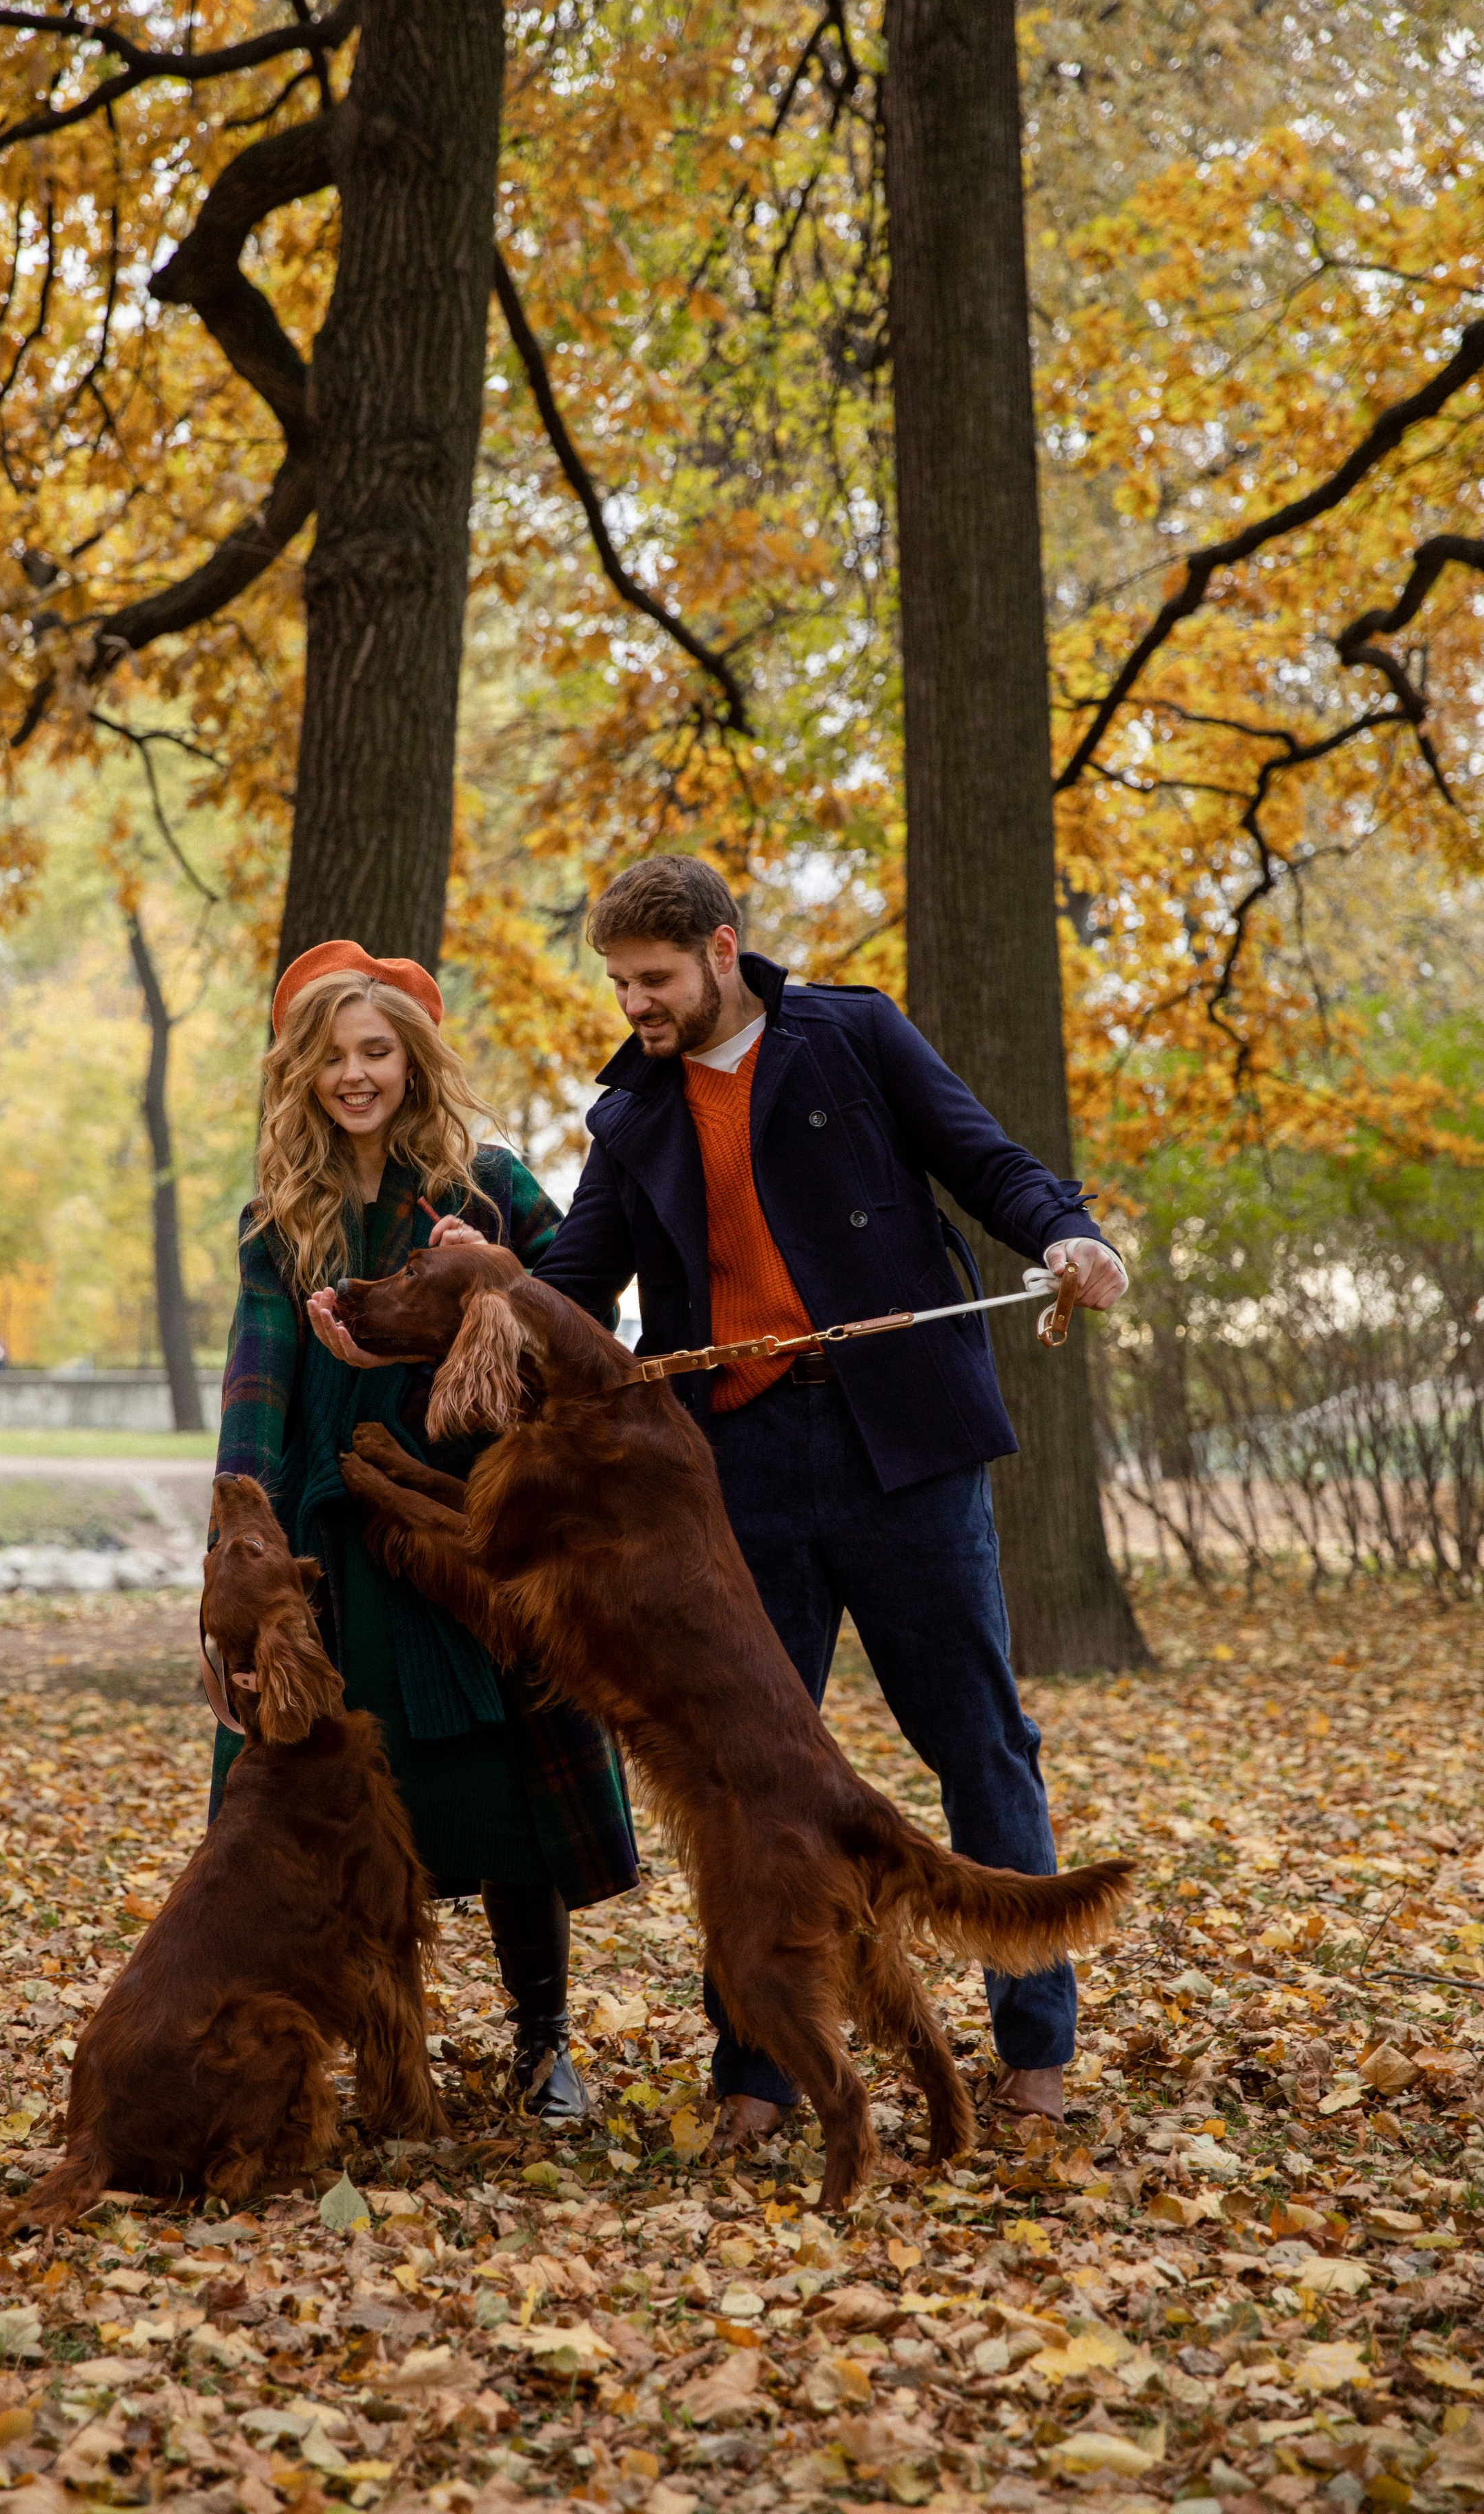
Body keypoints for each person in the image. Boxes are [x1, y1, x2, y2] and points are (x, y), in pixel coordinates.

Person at [534, 858, 1128, 2145]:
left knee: (979, 1744)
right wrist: (473, 1296)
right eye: (621, 982)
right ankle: (756, 2072)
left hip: (900, 1445)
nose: (635, 1003)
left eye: (654, 978)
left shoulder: (854, 1035)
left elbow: (987, 1161)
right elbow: (571, 1285)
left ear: (722, 950)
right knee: (752, 1782)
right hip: (738, 1473)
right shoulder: (631, 1114)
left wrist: (1066, 1236)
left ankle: (1038, 2056)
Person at [211, 938, 638, 2122]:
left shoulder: (484, 1185)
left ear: (413, 1059)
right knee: (338, 1810)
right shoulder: (278, 1219)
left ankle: (545, 2046)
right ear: (299, 1074)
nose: (355, 1076)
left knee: (508, 1799)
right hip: (327, 1547)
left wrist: (496, 1274)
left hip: (470, 1528)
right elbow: (258, 1396)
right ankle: (383, 2057)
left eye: (376, 1051)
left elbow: (585, 1312)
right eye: (331, 1057)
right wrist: (236, 1569)